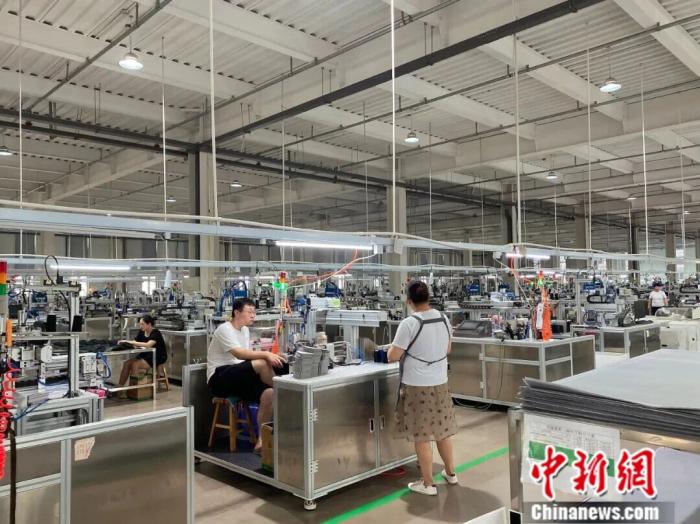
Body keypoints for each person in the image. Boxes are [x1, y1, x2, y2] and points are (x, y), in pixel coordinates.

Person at [387, 281, 458, 496]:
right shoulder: (443, 318)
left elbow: (393, 356)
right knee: (442, 432)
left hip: (417, 387)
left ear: (409, 301)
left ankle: (427, 484)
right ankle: (451, 473)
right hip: (440, 383)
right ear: (429, 297)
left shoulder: (409, 323)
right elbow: (448, 348)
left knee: (422, 436)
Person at [207, 297, 286, 452]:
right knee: (262, 362)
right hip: (219, 378)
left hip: (238, 377)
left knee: (269, 394)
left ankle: (262, 440)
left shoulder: (244, 330)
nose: (253, 315)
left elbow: (247, 356)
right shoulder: (224, 329)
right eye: (249, 312)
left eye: (254, 312)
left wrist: (272, 355)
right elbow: (240, 354)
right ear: (237, 312)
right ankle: (286, 393)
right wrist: (266, 355)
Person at [117, 314, 168, 387]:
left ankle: (132, 389)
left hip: (157, 356)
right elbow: (136, 342)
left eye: (142, 324)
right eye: (140, 324)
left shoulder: (156, 333)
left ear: (149, 324)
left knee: (135, 364)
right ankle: (120, 387)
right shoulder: (142, 332)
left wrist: (130, 342)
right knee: (127, 363)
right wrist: (125, 344)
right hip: (145, 354)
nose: (140, 326)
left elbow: (148, 345)